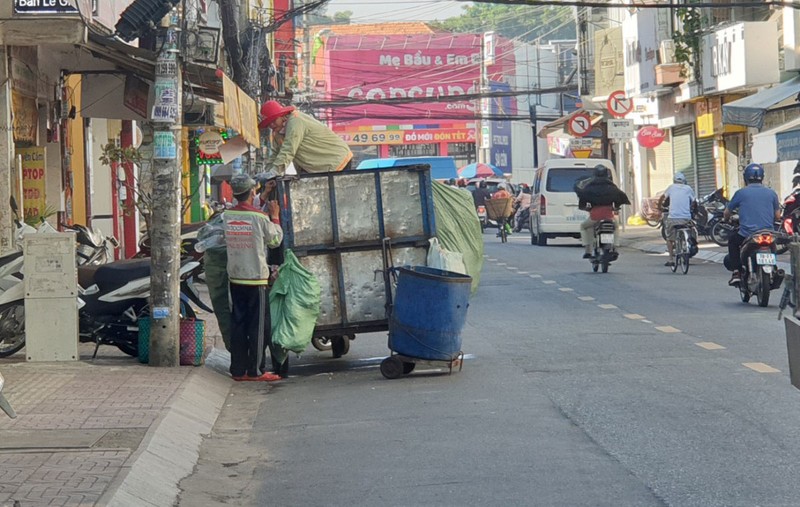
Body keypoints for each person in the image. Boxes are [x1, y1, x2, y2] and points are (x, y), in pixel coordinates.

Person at [223, 174, 285, 381]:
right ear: (251, 192)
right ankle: (256, 370)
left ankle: (238, 370)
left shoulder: (227, 215)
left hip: (236, 277)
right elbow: (275, 240)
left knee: (238, 324)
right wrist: (274, 217)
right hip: (256, 278)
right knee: (259, 327)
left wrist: (265, 197)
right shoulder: (259, 218)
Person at [723, 163, 781, 286]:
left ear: (746, 178)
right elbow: (777, 216)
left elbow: (727, 212)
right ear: (762, 177)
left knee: (733, 241)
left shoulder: (741, 193)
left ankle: (736, 272)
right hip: (768, 233)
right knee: (773, 246)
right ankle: (774, 269)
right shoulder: (771, 193)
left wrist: (726, 219)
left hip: (747, 234)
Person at [259, 100, 353, 175]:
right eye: (269, 124)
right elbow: (275, 154)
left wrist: (275, 171)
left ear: (282, 116)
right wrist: (267, 173)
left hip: (337, 160)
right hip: (322, 167)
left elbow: (289, 148)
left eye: (274, 120)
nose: (272, 125)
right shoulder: (278, 134)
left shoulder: (295, 121)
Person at [576, 165, 630, 259]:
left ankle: (587, 250)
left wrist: (586, 208)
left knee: (584, 227)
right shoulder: (612, 187)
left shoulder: (589, 187)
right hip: (609, 216)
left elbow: (583, 201)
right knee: (616, 227)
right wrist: (616, 207)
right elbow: (619, 198)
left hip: (594, 216)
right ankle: (615, 247)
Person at [658, 172, 697, 267]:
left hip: (673, 218)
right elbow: (694, 202)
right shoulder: (688, 188)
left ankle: (671, 259)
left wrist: (659, 207)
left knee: (669, 239)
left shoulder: (671, 187)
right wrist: (690, 208)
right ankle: (686, 248)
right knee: (689, 231)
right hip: (685, 218)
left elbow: (662, 198)